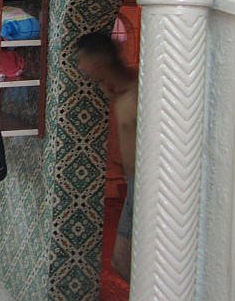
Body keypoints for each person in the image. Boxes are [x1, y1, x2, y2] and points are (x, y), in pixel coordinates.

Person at [76, 32, 138, 283]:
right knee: (122, 262)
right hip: (133, 184)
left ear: (98, 61)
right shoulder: (119, 91)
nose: (81, 67)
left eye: (83, 60)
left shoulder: (139, 91)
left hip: (149, 186)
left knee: (127, 260)